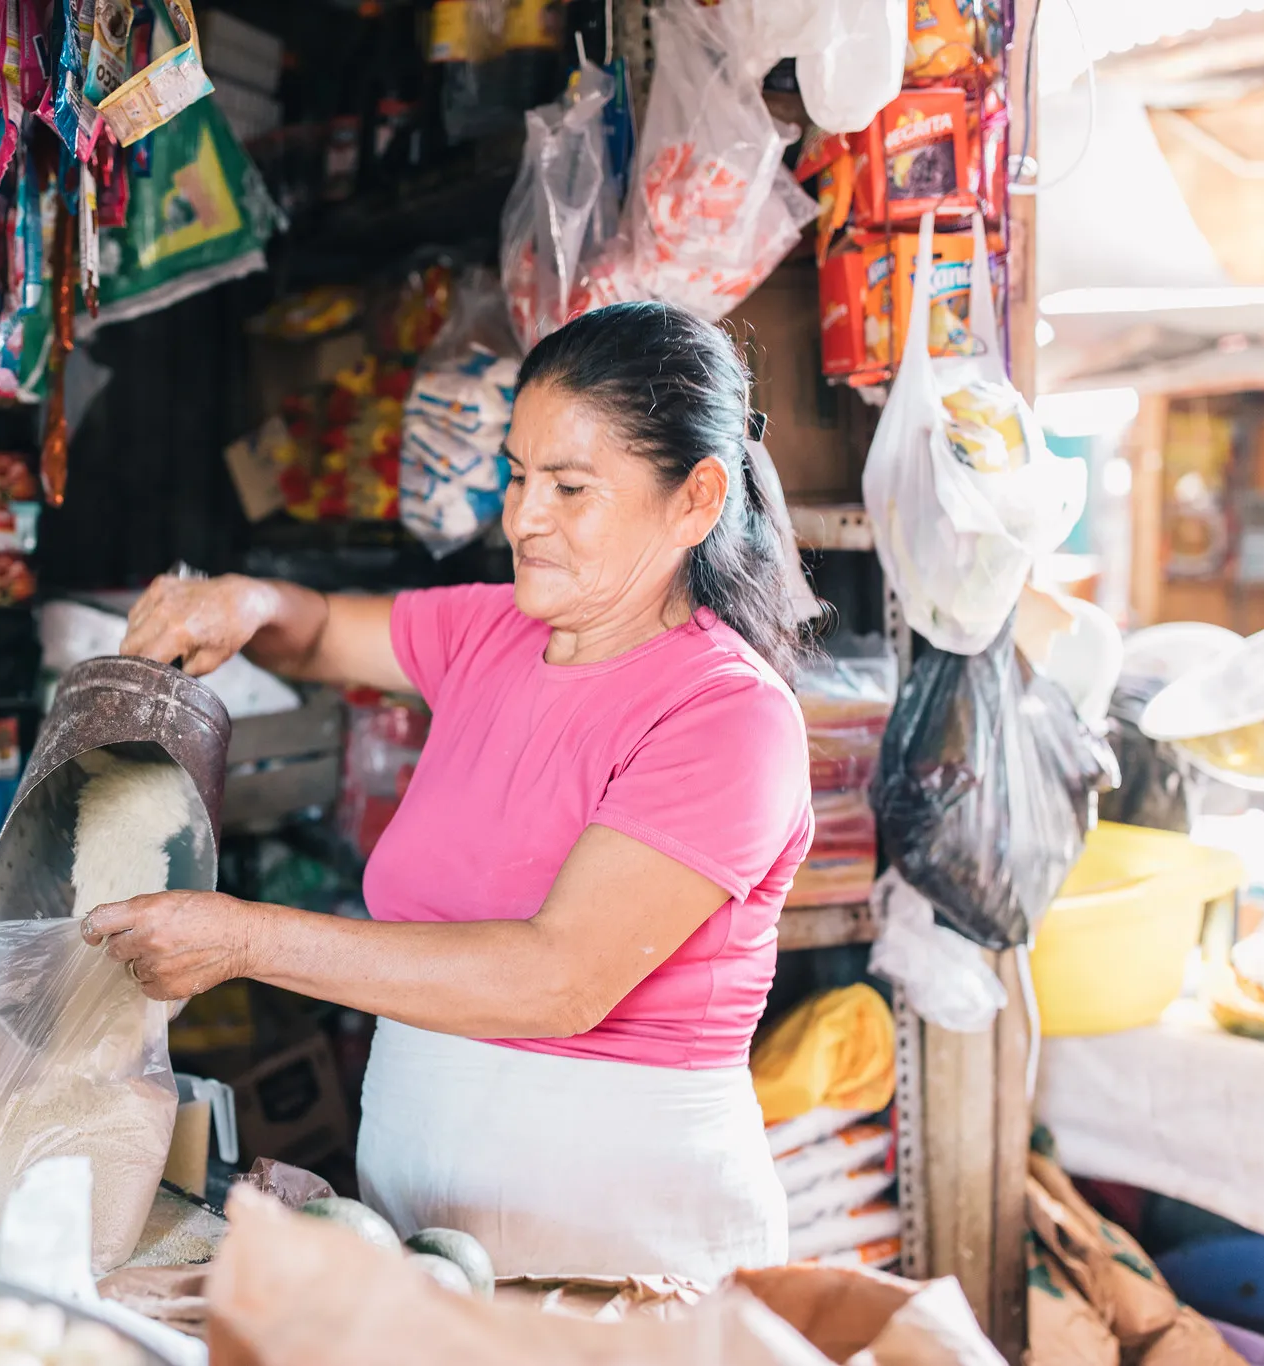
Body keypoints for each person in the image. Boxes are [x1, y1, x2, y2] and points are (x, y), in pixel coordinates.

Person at [90, 302, 814, 1281]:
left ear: (693, 500)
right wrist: (242, 599)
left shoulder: (728, 716)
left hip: (625, 1247)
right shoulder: (493, 631)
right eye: (516, 476)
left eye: (568, 487)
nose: (520, 519)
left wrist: (240, 938)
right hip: (425, 1226)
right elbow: (313, 631)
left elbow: (551, 980)